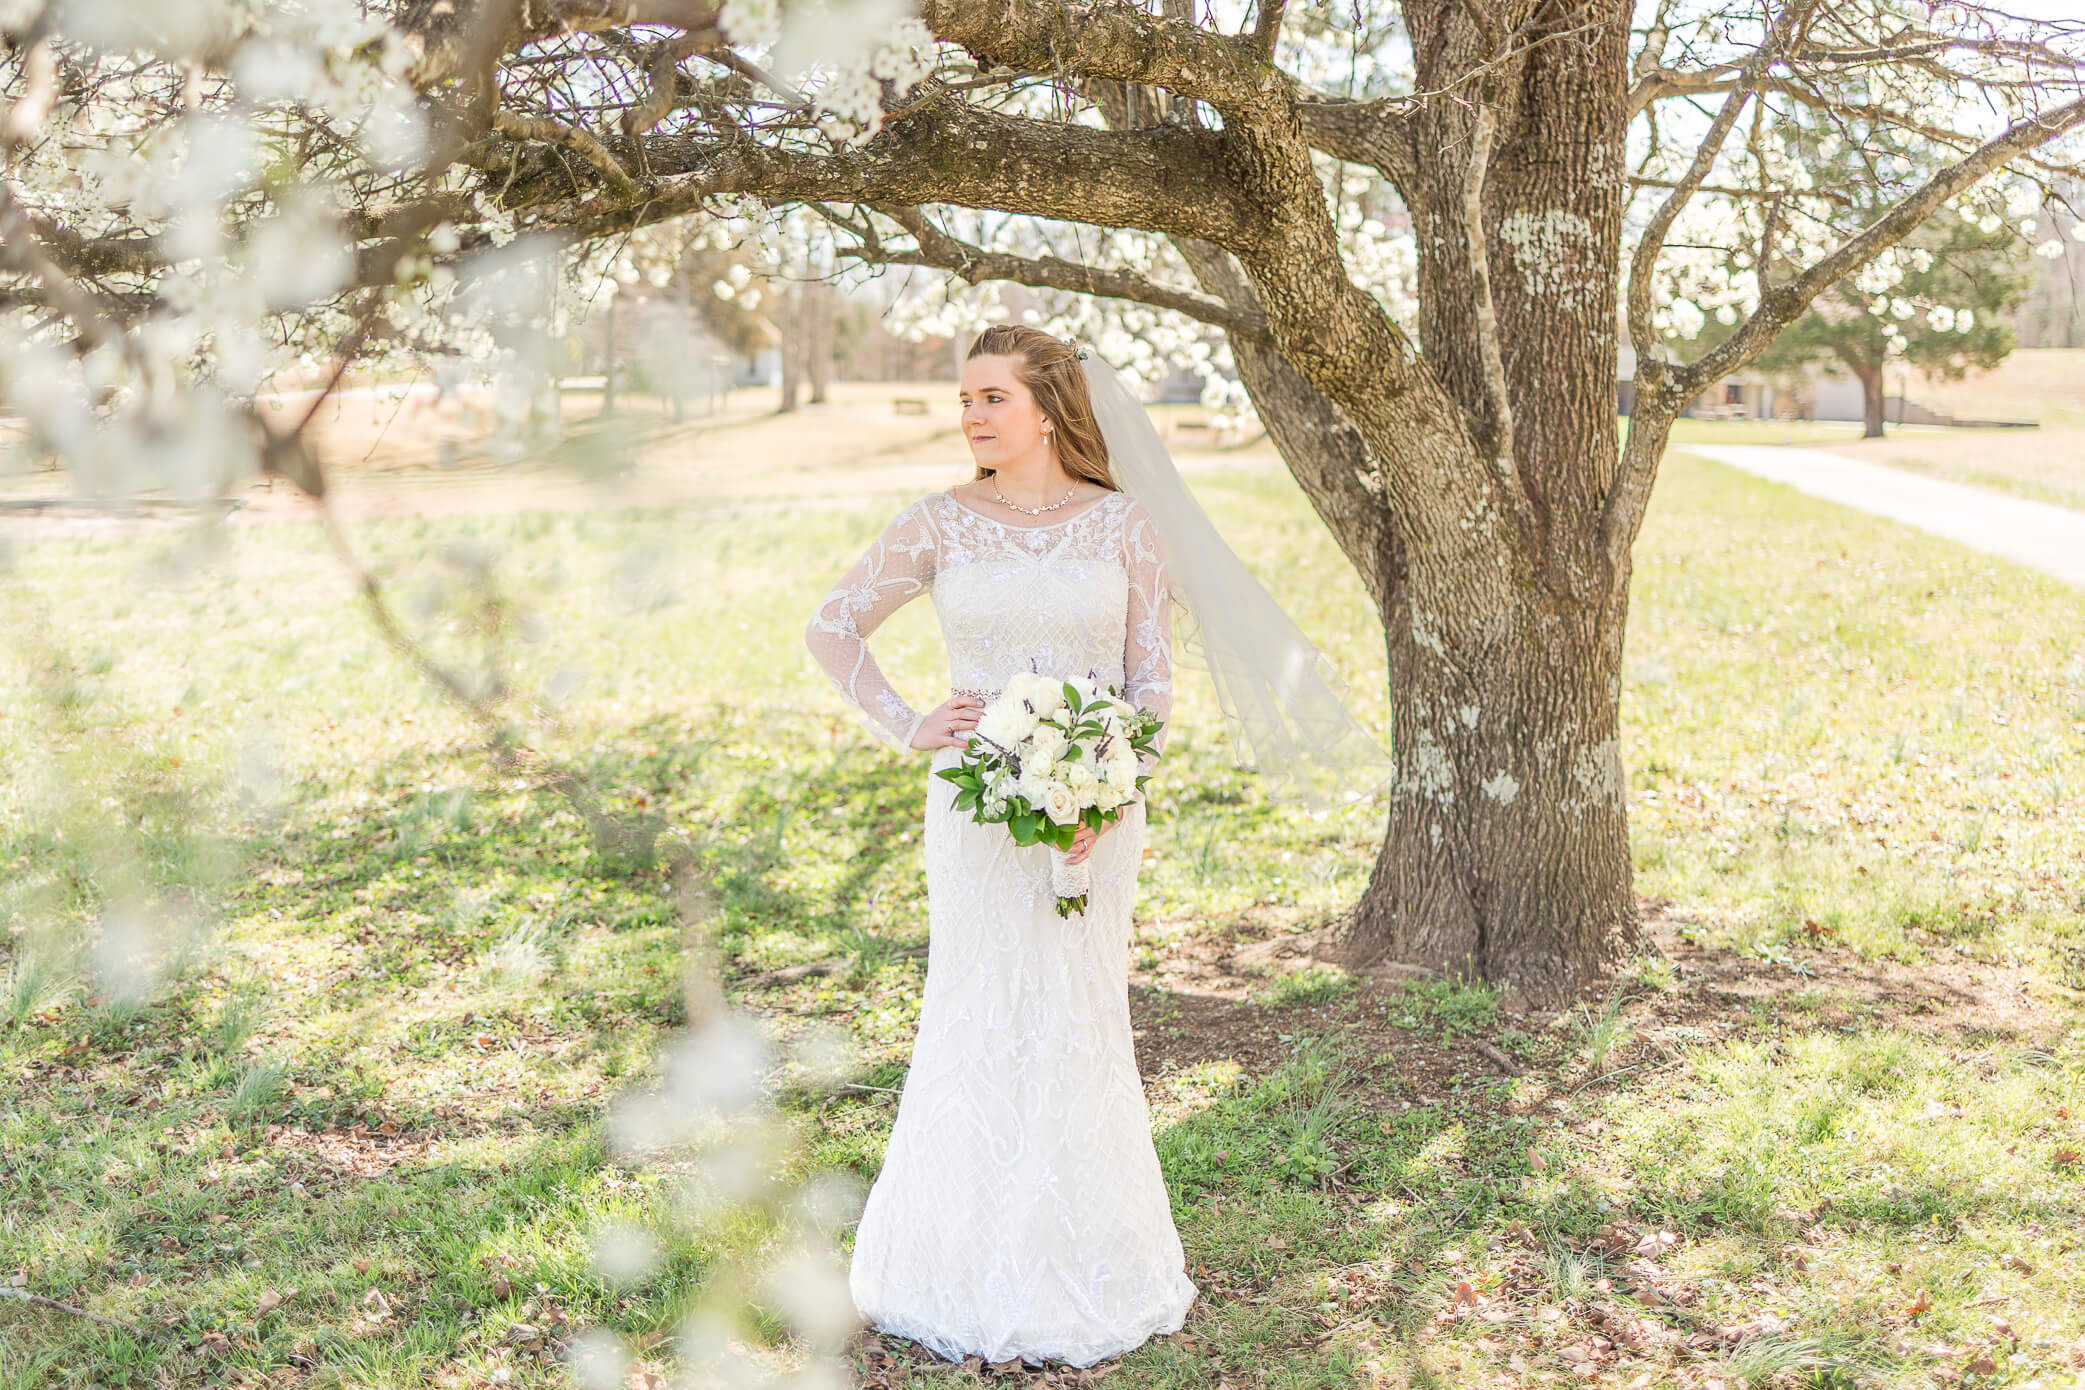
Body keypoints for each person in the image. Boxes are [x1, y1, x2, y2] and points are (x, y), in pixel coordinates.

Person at [804, 324, 1391, 1368]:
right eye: (966, 398)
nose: (973, 414)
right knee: (980, 1004)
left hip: (1100, 807)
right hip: (976, 807)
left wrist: (1109, 785)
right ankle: (956, 1257)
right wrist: (908, 721)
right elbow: (832, 626)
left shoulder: (1127, 528)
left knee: (1077, 1012)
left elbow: (1150, 681)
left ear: (1048, 407)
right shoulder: (938, 523)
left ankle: (1087, 1253)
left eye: (992, 396)